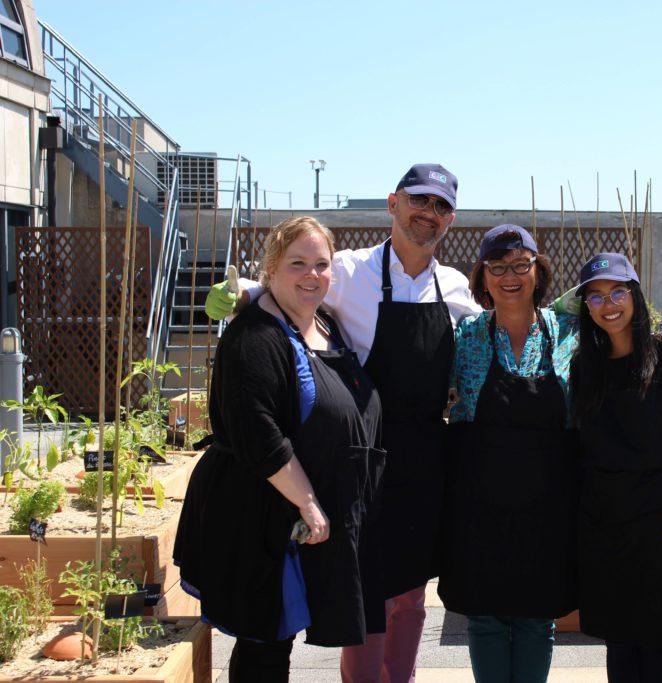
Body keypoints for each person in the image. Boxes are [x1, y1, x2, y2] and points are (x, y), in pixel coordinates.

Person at [204, 164, 480, 683]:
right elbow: (288, 287)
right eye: (420, 202)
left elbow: (487, 336)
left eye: (441, 207)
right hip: (362, 456)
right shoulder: (347, 271)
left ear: (451, 220)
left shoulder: (455, 287)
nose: (430, 215)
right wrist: (238, 294)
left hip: (424, 454)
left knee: (412, 589)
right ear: (394, 203)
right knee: (367, 585)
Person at [173, 217, 385, 681]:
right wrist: (307, 502)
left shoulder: (325, 322)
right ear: (271, 268)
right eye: (297, 264)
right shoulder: (254, 336)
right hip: (261, 511)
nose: (312, 275)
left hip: (309, 510)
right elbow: (258, 435)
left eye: (321, 264)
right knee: (265, 643)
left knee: (280, 637)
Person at [440, 224, 580, 683]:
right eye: (497, 268)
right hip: (481, 505)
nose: (510, 276)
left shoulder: (568, 335)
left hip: (547, 505)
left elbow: (626, 337)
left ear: (538, 272)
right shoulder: (466, 336)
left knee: (537, 619)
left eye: (521, 265)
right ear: (482, 278)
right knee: (486, 618)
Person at [570, 252, 662, 683]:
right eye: (596, 297)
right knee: (618, 640)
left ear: (636, 296)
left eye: (618, 292)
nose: (609, 305)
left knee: (657, 640)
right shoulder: (581, 363)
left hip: (657, 515)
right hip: (601, 517)